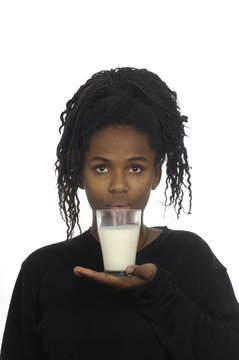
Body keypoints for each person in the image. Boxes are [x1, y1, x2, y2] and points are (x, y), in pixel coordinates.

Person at [1, 67, 239, 360]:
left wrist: (159, 292)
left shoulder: (191, 257)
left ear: (156, 175)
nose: (118, 185)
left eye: (135, 168)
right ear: (79, 176)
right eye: (101, 168)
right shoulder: (42, 270)